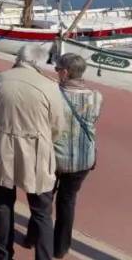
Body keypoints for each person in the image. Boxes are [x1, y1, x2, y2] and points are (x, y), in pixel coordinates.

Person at [0, 45, 67, 260]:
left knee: (3, 203)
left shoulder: (0, 78)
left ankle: (4, 253)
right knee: (41, 211)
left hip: (5, 145)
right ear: (39, 63)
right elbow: (58, 125)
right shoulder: (50, 86)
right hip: (37, 150)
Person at [52, 53, 102, 259]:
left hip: (56, 157)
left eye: (57, 69)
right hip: (83, 159)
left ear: (65, 72)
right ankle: (61, 247)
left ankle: (33, 236)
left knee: (43, 199)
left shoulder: (53, 94)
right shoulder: (96, 96)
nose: (56, 73)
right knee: (68, 200)